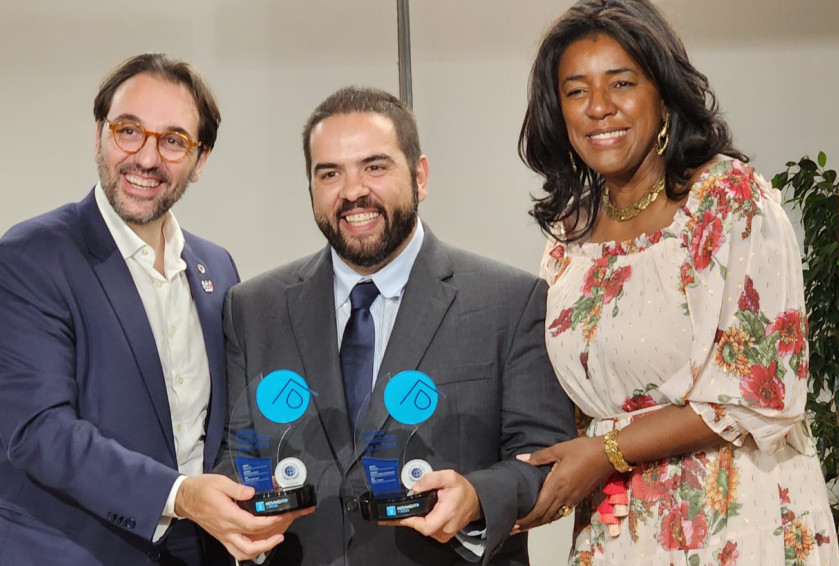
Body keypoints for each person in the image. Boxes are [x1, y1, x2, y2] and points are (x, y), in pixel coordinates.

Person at [514, 0, 839, 564]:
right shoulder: (570, 234)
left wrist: (604, 451)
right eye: (576, 91)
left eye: (621, 82)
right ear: (557, 112)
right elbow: (566, 401)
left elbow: (761, 389)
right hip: (616, 528)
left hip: (736, 524)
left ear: (663, 96)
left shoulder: (731, 201)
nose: (599, 106)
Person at [0, 53, 307, 566]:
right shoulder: (26, 262)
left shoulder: (215, 267)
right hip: (55, 551)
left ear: (200, 160)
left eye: (173, 140)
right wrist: (181, 495)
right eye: (128, 131)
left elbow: (218, 425)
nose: (146, 157)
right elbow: (42, 433)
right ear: (99, 135)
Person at [219, 86, 575, 565]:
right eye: (330, 173)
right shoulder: (252, 307)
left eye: (375, 166)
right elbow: (233, 451)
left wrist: (475, 496)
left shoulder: (509, 302)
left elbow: (545, 459)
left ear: (420, 176)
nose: (352, 191)